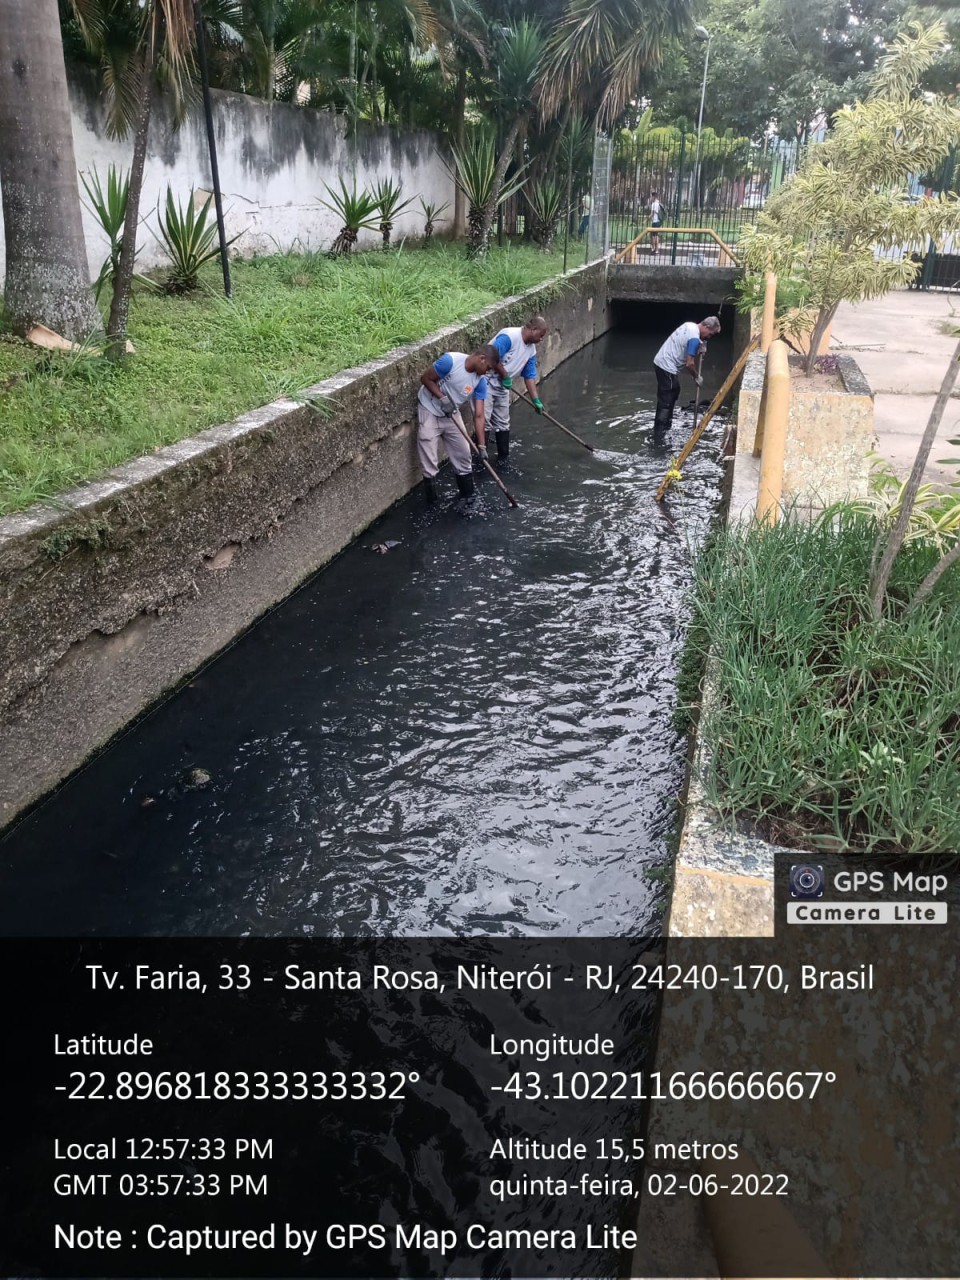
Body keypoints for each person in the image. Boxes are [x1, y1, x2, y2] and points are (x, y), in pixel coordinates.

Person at [417, 345, 498, 504]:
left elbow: (479, 415)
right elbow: (425, 378)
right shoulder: (450, 362)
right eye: (488, 368)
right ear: (482, 359)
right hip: (429, 407)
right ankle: (432, 503)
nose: (487, 372)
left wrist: (481, 446)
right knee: (429, 455)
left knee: (463, 453)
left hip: (451, 413)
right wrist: (442, 398)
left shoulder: (480, 381)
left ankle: (468, 498)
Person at [479, 316, 548, 462]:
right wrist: (504, 375)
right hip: (486, 380)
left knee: (503, 422)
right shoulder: (509, 337)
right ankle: (482, 459)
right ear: (533, 329)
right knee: (484, 420)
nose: (541, 339)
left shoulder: (531, 350)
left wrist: (536, 400)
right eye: (541, 335)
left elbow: (529, 376)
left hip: (503, 385)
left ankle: (503, 458)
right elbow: (492, 357)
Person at [652, 316, 721, 434]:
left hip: (663, 363)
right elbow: (689, 364)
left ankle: (667, 424)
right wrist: (696, 377)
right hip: (666, 366)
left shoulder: (690, 325)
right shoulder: (694, 339)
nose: (709, 337)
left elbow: (695, 339)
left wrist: (703, 343)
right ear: (706, 327)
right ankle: (659, 433)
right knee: (666, 400)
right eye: (710, 334)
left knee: (674, 391)